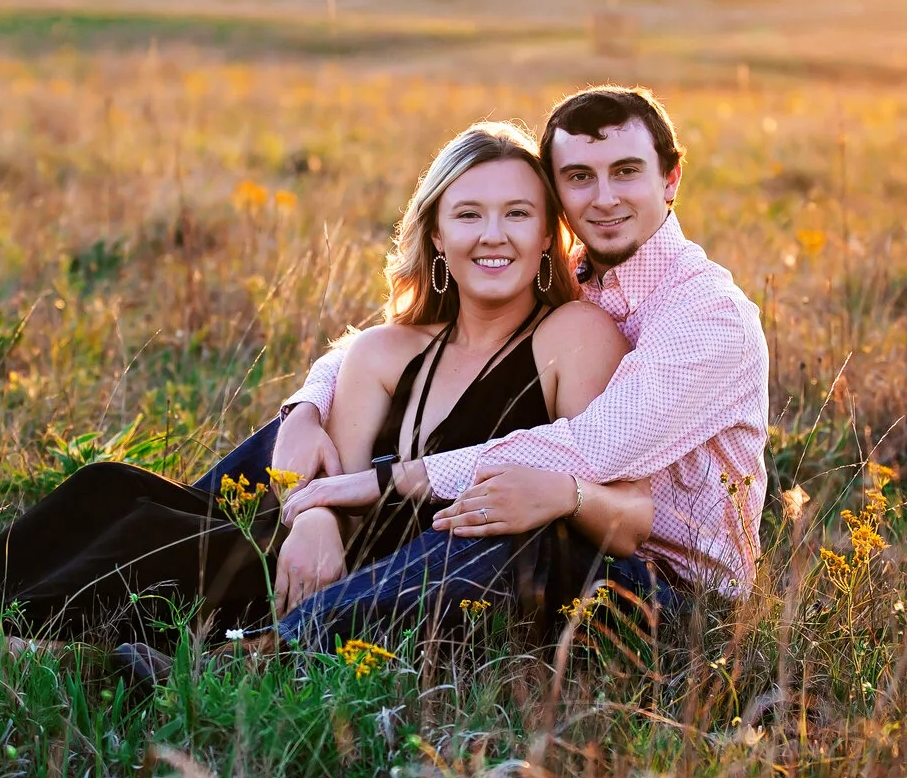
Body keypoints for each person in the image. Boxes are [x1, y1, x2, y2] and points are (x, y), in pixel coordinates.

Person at [0, 121, 651, 681]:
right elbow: (330, 485)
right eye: (468, 214)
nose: (491, 234)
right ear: (434, 234)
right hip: (325, 576)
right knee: (111, 490)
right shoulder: (385, 352)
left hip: (448, 592)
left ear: (547, 239)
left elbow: (610, 496)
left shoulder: (572, 337)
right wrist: (307, 516)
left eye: (518, 215)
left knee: (168, 591)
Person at [274, 86, 770, 624]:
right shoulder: (578, 273)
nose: (603, 198)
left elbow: (588, 448)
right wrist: (302, 409)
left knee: (511, 531)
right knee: (293, 450)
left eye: (626, 171)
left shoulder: (707, 315)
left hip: (677, 596)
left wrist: (383, 481)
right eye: (579, 176)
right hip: (586, 540)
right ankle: (184, 588)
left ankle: (268, 648)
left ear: (670, 180)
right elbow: (382, 344)